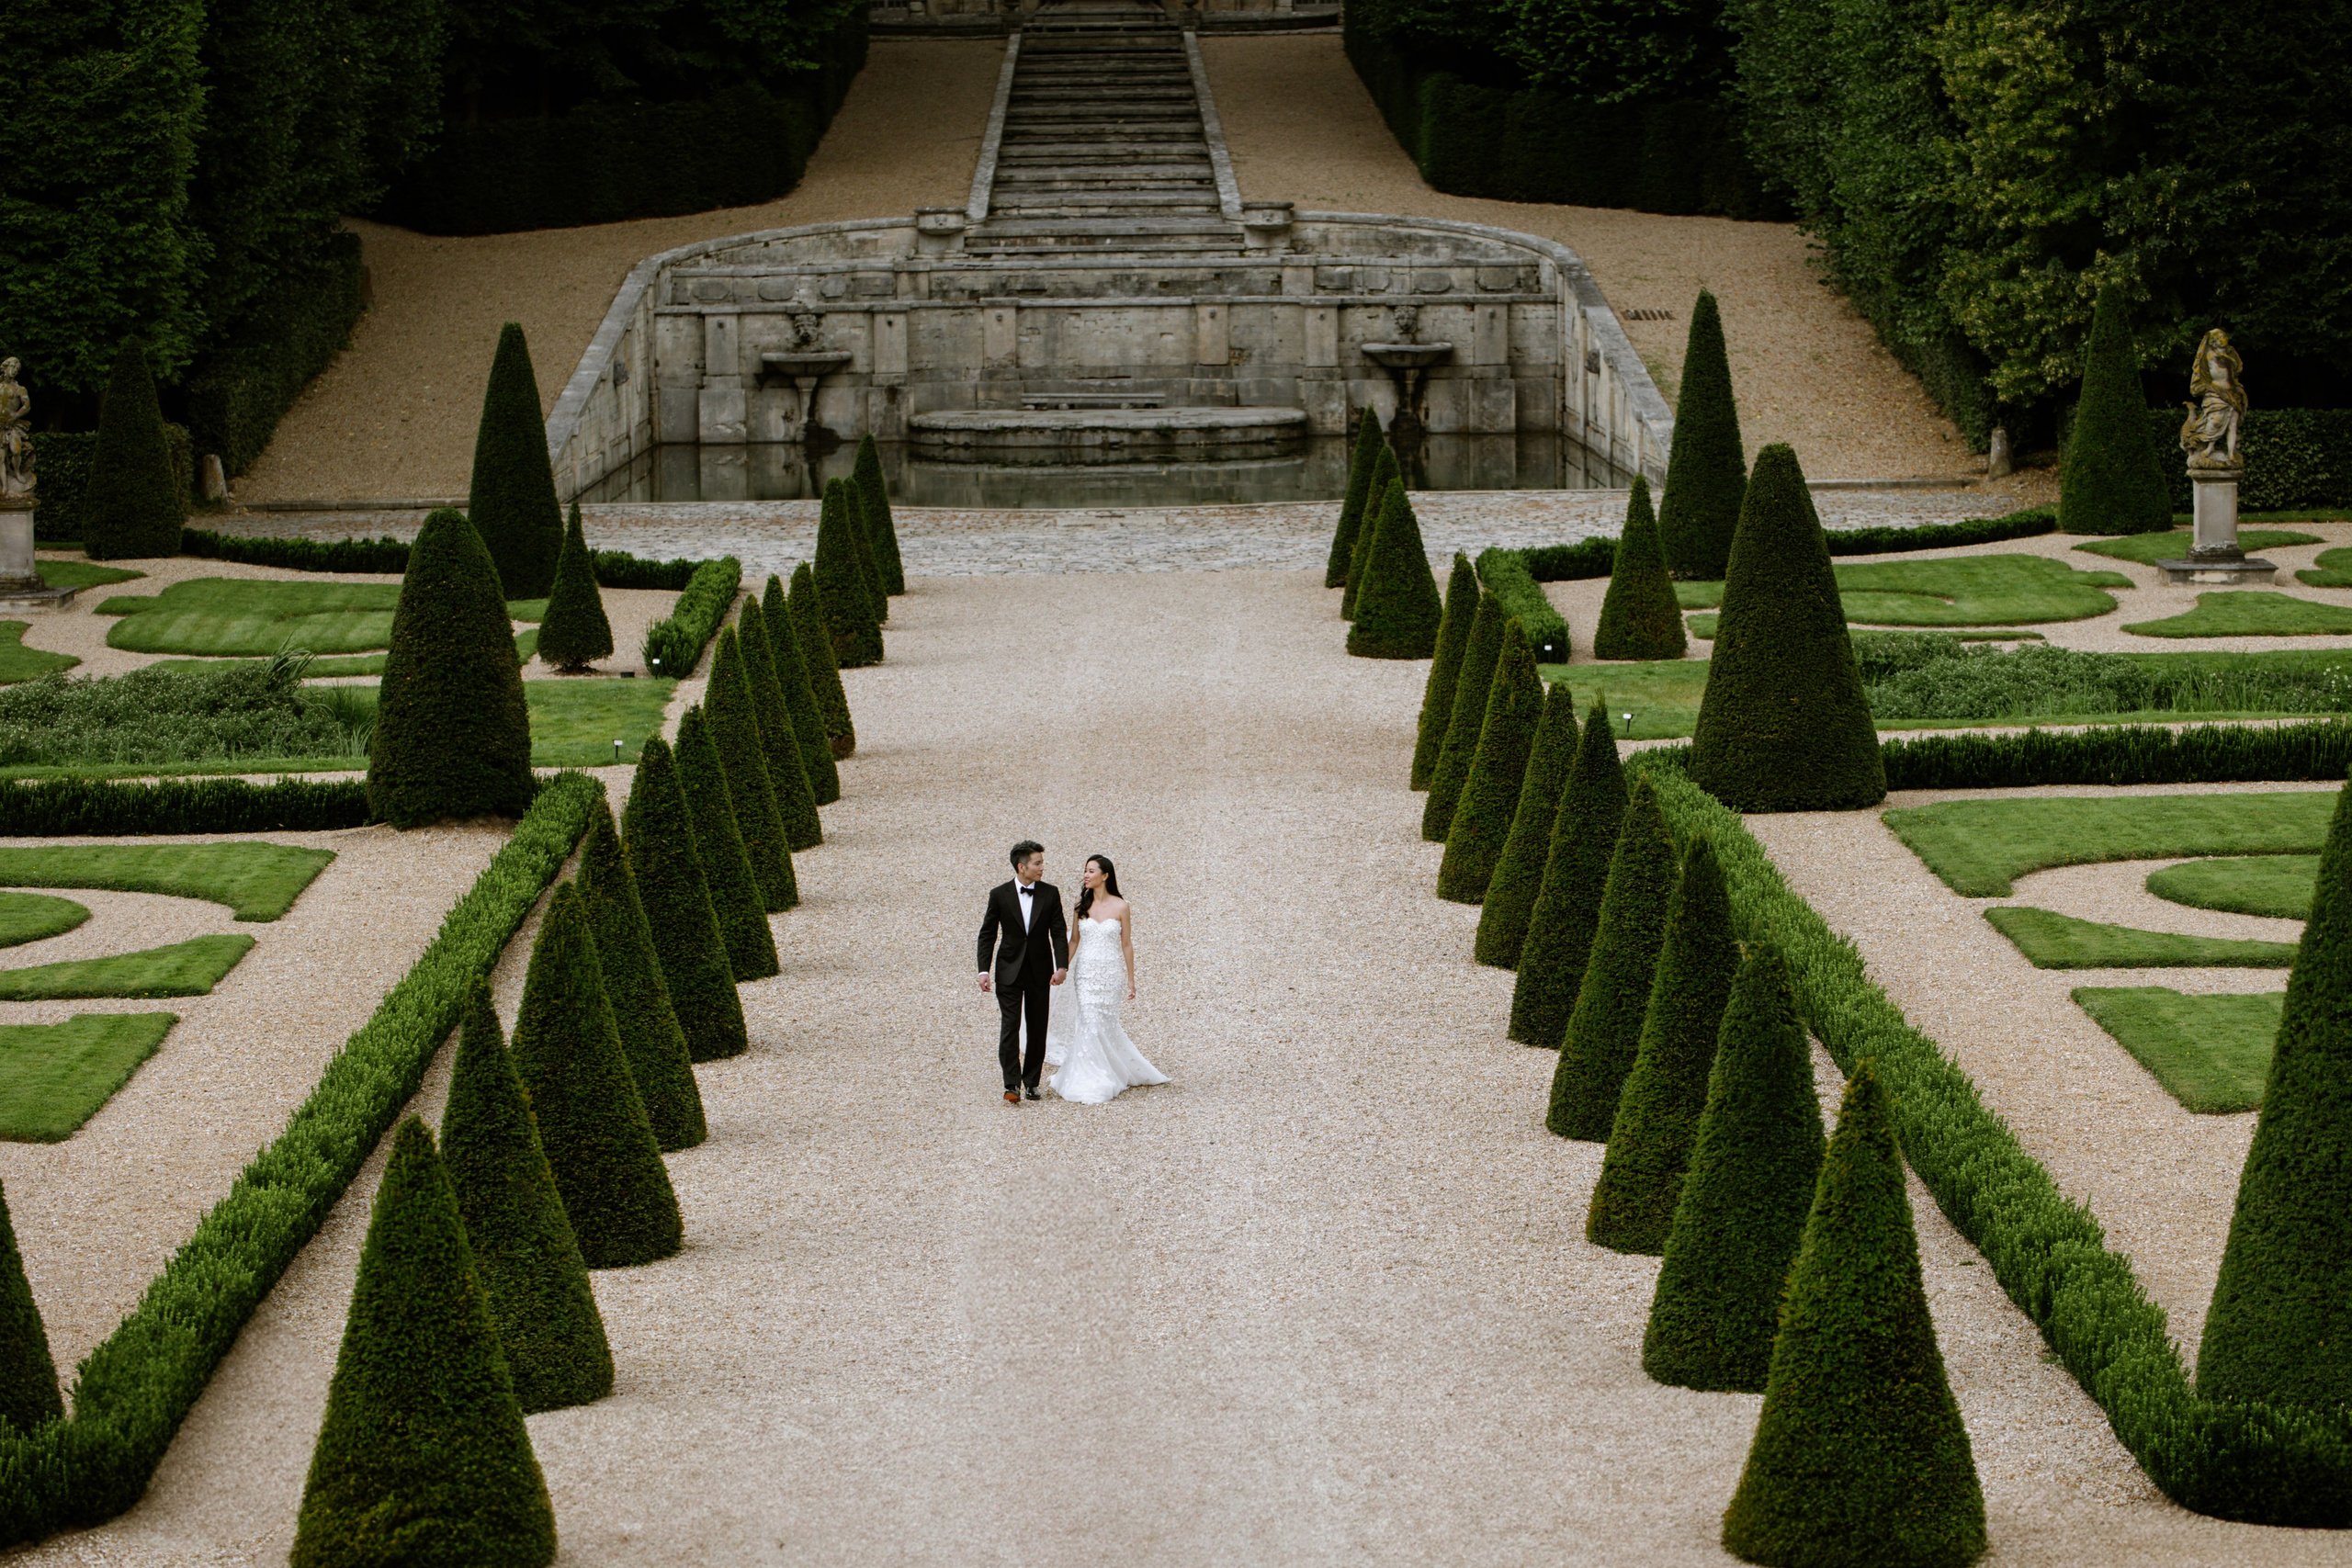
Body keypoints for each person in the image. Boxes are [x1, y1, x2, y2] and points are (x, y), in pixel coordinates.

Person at [1044, 853, 1169, 1104]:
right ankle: (1090, 1076)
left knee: (1105, 1023)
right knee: (1089, 1019)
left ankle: (1111, 1068)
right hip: (1086, 973)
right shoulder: (1081, 907)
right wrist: (1061, 968)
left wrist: (1131, 979)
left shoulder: (1121, 907)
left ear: (1105, 875)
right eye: (1085, 871)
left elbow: (1126, 944)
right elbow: (1074, 941)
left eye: (1091, 871)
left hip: (1111, 974)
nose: (1086, 875)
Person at [977, 840, 1068, 1106]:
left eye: (1041, 862)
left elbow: (1059, 931)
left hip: (1040, 971)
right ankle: (1011, 1083)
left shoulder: (1050, 893)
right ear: (1021, 866)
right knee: (1010, 1026)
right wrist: (984, 969)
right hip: (1009, 971)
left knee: (1038, 1027)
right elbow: (987, 934)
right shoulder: (999, 894)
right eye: (1037, 863)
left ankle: (1032, 1083)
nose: (1042, 868)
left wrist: (1061, 965)